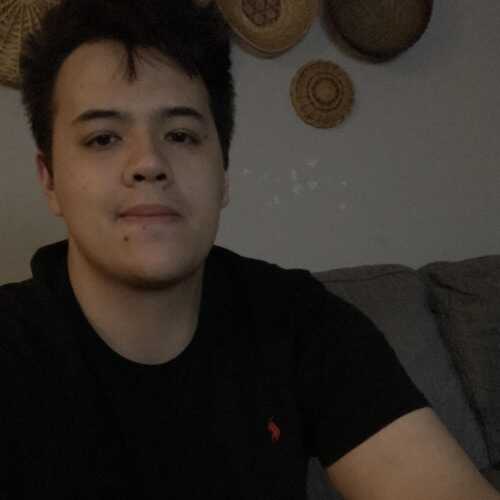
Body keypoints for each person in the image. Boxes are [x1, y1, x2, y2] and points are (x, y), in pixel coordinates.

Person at [0, 0, 498, 498]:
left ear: (223, 174)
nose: (148, 162)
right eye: (103, 138)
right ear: (49, 181)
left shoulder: (300, 321)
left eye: (180, 135)